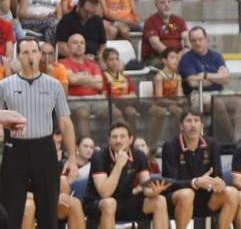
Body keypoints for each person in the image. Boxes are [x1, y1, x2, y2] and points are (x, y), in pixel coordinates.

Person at [0, 38, 77, 229]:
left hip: (45, 150)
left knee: (48, 213)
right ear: (18, 57)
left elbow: (65, 122)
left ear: (40, 55)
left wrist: (73, 157)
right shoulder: (5, 85)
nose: (30, 57)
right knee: (11, 213)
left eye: (34, 51)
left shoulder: (54, 85)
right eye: (25, 53)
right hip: (14, 150)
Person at [161, 110, 241, 229]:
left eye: (196, 121)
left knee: (232, 193)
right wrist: (196, 182)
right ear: (181, 126)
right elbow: (170, 182)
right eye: (189, 121)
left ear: (202, 125)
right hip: (178, 197)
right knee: (187, 194)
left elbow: (218, 175)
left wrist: (218, 182)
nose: (193, 125)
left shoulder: (212, 144)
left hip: (205, 197)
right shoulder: (170, 146)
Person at [86, 121, 171, 229]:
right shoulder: (99, 157)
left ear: (130, 139)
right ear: (109, 139)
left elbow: (146, 187)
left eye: (122, 137)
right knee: (110, 203)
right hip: (98, 203)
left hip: (125, 201)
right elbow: (104, 193)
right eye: (114, 137)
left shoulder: (139, 155)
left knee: (160, 200)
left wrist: (154, 191)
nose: (118, 140)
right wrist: (118, 166)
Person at [179, 26, 241, 143]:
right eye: (194, 40)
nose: (197, 43)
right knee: (217, 103)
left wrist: (205, 76)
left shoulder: (216, 56)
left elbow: (225, 78)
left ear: (206, 39)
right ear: (190, 42)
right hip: (197, 94)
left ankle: (238, 137)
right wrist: (217, 77)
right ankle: (233, 140)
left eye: (200, 39)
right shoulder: (186, 59)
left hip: (220, 91)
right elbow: (193, 82)